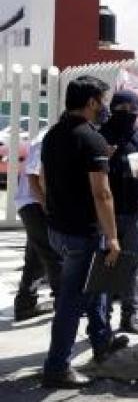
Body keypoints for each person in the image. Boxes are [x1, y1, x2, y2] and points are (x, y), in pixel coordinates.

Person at [41, 75, 128, 389]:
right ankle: (56, 366)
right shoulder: (91, 140)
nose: (105, 107)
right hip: (81, 233)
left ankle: (101, 340)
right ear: (91, 102)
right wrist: (114, 237)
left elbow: (47, 180)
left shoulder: (53, 135)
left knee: (96, 285)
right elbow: (102, 194)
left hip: (59, 229)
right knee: (72, 300)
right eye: (103, 100)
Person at [100, 90, 138, 334]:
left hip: (135, 208)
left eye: (131, 109)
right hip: (106, 209)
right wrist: (106, 158)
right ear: (112, 109)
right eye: (120, 108)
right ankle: (103, 317)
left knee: (132, 264)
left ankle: (130, 314)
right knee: (105, 265)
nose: (126, 113)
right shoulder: (101, 135)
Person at [13, 128, 61, 321]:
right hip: (36, 204)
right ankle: (65, 303)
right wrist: (47, 206)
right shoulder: (49, 137)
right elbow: (35, 176)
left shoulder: (50, 135)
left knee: (36, 256)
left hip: (33, 203)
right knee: (53, 255)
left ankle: (25, 304)